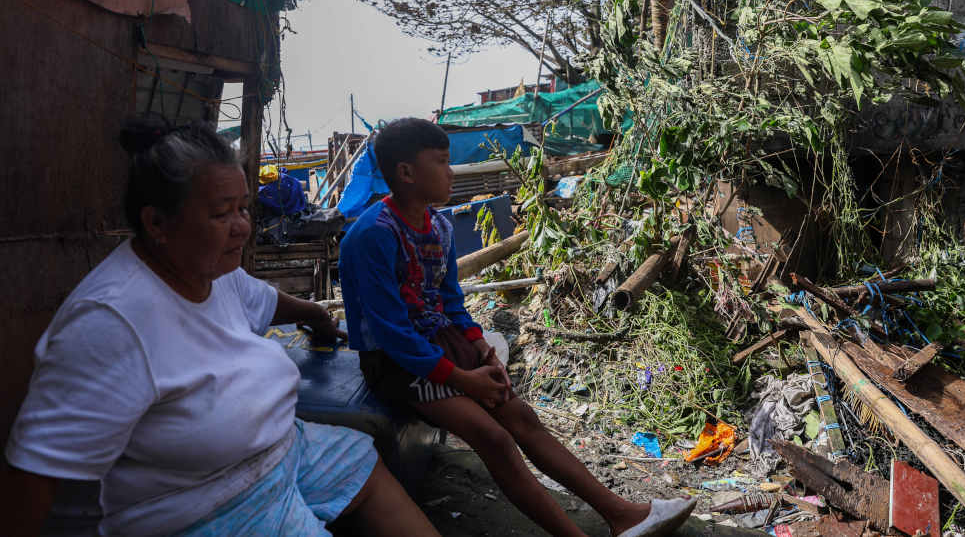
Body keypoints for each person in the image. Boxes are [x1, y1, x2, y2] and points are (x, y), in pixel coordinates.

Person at [4, 116, 439, 537]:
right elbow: (36, 475)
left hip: (281, 448)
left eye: (244, 208)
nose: (243, 228)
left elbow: (266, 302)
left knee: (363, 463)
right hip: (203, 504)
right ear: (157, 223)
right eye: (221, 214)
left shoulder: (212, 270)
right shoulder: (110, 322)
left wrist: (318, 316)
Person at [339, 118, 697, 537]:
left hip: (442, 345)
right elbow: (391, 333)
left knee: (521, 416)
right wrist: (464, 380)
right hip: (396, 364)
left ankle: (621, 515)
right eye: (441, 162)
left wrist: (480, 348)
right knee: (495, 439)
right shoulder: (370, 237)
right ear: (406, 173)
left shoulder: (438, 226)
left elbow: (451, 300)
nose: (451, 171)